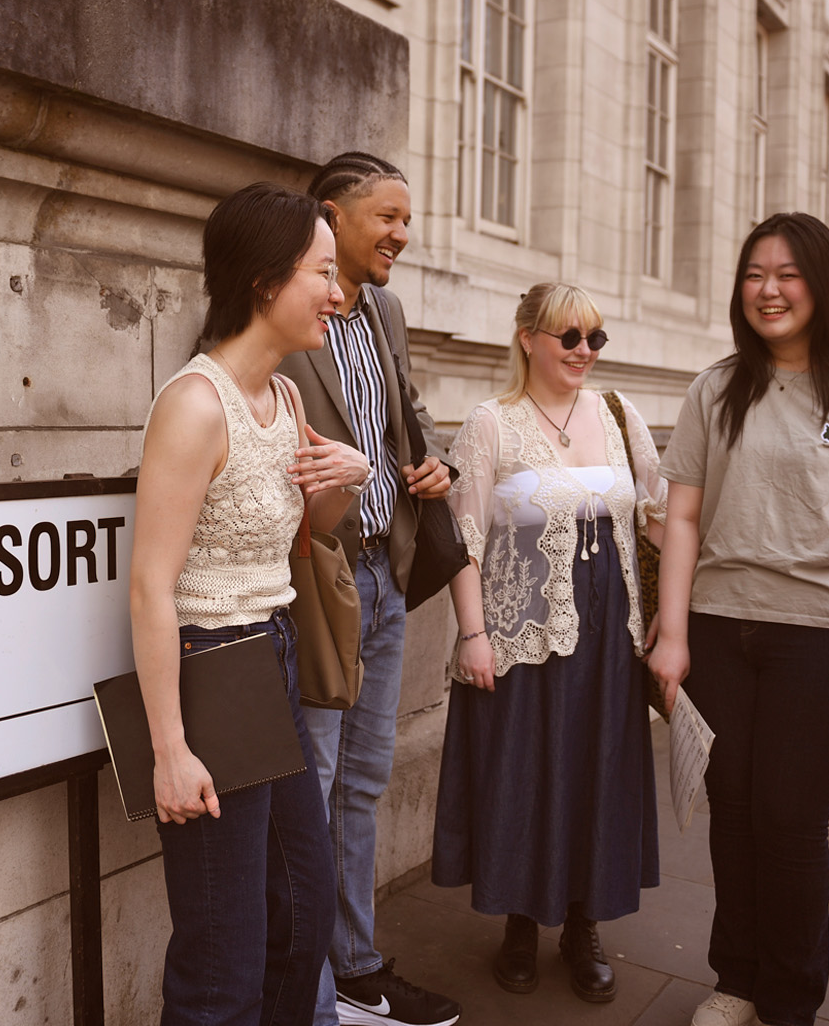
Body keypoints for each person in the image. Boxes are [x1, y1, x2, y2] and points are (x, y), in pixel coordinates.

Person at [646, 212, 829, 1026]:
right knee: (731, 813)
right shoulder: (716, 388)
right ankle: (738, 980)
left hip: (822, 642)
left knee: (791, 823)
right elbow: (683, 519)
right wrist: (672, 635)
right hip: (722, 630)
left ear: (822, 285)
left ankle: (791, 1001)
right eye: (754, 274)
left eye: (788, 274)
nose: (768, 290)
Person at [131, 181, 373, 1026]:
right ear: (267, 281)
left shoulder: (289, 397)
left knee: (301, 915)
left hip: (269, 654)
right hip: (209, 665)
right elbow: (150, 587)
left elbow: (308, 533)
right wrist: (169, 750)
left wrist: (346, 478)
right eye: (323, 272)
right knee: (221, 956)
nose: (338, 295)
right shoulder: (194, 406)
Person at [434, 282, 666, 1000]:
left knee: (597, 777)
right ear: (528, 337)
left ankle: (583, 924)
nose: (585, 352)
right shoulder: (489, 424)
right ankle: (520, 925)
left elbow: (658, 519)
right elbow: (463, 542)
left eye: (596, 338)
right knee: (529, 778)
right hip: (523, 636)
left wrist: (671, 619)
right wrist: (473, 635)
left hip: (610, 645)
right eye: (570, 337)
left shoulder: (621, 415)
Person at [276, 153, 461, 1026]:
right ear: (331, 215)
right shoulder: (279, 303)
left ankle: (355, 967)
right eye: (386, 217)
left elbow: (406, 417)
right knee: (313, 781)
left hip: (386, 578)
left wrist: (434, 465)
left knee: (363, 781)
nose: (401, 235)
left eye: (408, 220)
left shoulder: (384, 309)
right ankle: (309, 991)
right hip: (319, 587)